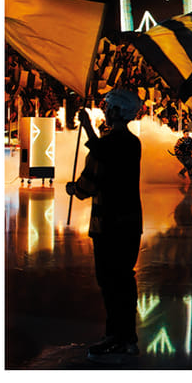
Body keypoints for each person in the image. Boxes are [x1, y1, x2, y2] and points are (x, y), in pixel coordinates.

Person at [65, 89, 144, 364]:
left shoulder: (114, 144)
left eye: (109, 108)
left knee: (111, 282)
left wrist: (74, 189)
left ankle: (116, 338)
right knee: (123, 280)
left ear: (118, 112)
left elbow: (91, 177)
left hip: (109, 225)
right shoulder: (132, 143)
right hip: (130, 225)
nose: (106, 112)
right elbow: (103, 152)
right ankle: (127, 337)